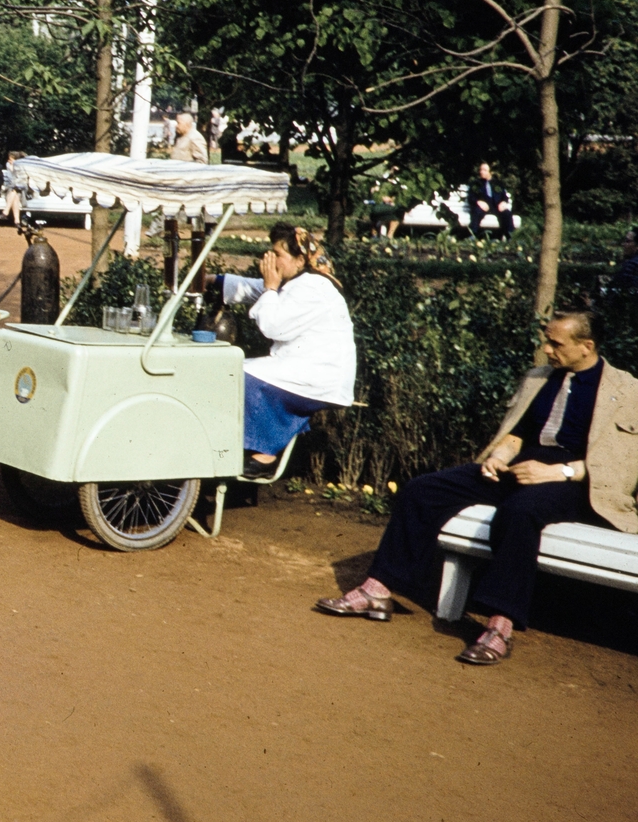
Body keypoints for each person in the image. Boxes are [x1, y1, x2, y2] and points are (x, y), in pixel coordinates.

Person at [317, 310, 638, 665]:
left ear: (586, 347)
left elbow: (624, 466)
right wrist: (500, 454)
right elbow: (518, 433)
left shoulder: (626, 391)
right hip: (521, 468)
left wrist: (558, 472)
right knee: (422, 490)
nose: (546, 349)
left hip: (577, 483)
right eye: (546, 340)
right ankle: (378, 589)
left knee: (520, 512)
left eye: (555, 343)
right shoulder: (539, 378)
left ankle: (500, 625)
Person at [217, 223, 356, 477]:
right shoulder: (299, 281)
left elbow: (273, 326)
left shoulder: (315, 288)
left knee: (240, 375)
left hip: (319, 375)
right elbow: (255, 289)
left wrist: (270, 287)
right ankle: (246, 445)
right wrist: (216, 282)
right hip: (303, 367)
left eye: (277, 255)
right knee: (236, 370)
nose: (270, 260)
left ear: (300, 259)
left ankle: (265, 454)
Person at [468, 162, 514, 239]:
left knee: (507, 213)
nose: (481, 172)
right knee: (477, 211)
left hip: (496, 207)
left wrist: (503, 202)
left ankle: (508, 235)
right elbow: (471, 197)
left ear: (490, 172)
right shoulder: (476, 184)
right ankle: (473, 233)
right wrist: (478, 202)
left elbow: (504, 197)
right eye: (481, 169)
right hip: (483, 207)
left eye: (484, 170)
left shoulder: (498, 183)